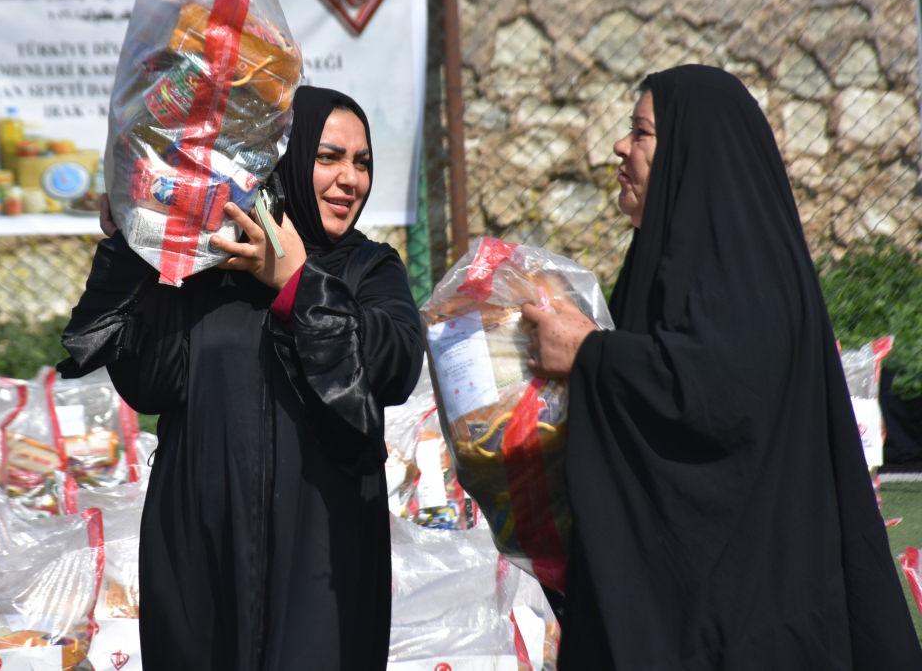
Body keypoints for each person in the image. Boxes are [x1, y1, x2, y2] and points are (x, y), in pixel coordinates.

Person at [521, 64, 922, 669]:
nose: (619, 146)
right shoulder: (666, 259)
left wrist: (589, 354)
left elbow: (720, 389)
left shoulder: (744, 267)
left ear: (690, 154)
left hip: (750, 613)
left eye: (641, 132)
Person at [57, 86, 425, 670]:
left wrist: (297, 283)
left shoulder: (368, 267)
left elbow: (395, 364)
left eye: (362, 163)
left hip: (322, 558)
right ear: (284, 158)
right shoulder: (210, 266)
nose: (348, 180)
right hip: (202, 547)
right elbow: (149, 382)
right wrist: (134, 244)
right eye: (327, 158)